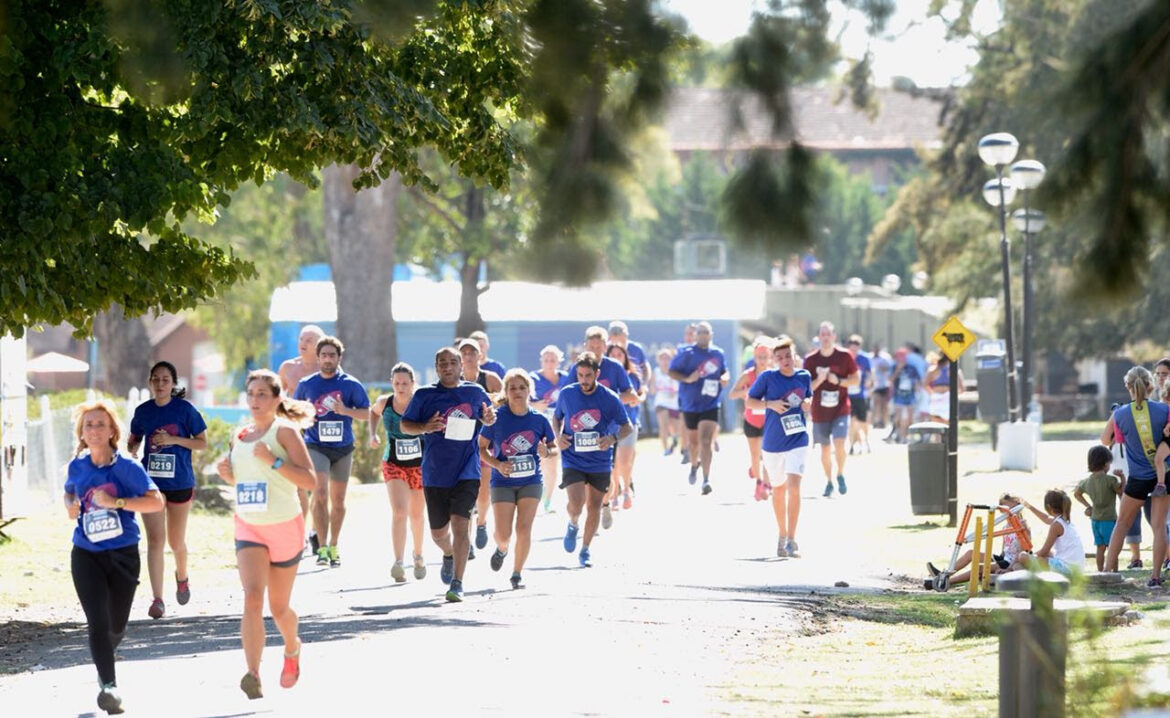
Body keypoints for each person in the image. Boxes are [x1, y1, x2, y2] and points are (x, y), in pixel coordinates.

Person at [217, 370, 317, 700]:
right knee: (252, 597)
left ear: (276, 399)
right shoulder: (239, 435)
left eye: (262, 394)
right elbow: (245, 481)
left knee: (279, 608)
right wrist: (228, 474)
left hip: (285, 525)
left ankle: (292, 647)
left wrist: (274, 461)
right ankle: (253, 673)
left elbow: (310, 480)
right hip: (249, 526)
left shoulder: (284, 431)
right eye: (251, 394)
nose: (255, 400)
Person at [65, 399, 164, 715]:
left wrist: (116, 502)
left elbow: (156, 502)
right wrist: (70, 505)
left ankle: (106, 658)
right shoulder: (77, 466)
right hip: (86, 553)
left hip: (123, 553)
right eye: (88, 425)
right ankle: (109, 687)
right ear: (82, 432)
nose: (94, 430)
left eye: (100, 424)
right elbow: (69, 491)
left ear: (111, 432)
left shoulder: (127, 468)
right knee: (97, 619)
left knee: (116, 624)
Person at [400, 346, 498, 602]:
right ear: (436, 367)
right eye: (442, 363)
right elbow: (405, 425)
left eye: (453, 362)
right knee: (438, 534)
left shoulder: (475, 392)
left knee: (461, 525)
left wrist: (489, 418)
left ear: (461, 366)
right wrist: (425, 426)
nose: (447, 367)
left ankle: (457, 583)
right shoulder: (424, 395)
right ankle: (449, 553)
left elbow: (488, 417)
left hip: (467, 470)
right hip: (435, 472)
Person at [127, 361, 207, 619]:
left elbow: (202, 443)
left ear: (173, 384)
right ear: (150, 382)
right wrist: (132, 449)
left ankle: (182, 577)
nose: (160, 384)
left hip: (180, 481)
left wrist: (173, 440)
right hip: (151, 482)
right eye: (156, 379)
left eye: (165, 379)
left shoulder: (185, 410)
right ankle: (158, 599)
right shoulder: (143, 411)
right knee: (155, 541)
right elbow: (134, 438)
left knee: (175, 542)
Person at [292, 336, 370, 568]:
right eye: (324, 355)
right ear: (318, 358)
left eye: (332, 355)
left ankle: (334, 545)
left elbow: (367, 413)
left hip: (343, 448)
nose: (327, 359)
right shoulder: (306, 384)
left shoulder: (350, 384)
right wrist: (306, 418)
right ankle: (322, 546)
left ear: (339, 357)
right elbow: (293, 413)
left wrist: (345, 410)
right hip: (316, 445)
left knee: (338, 501)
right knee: (320, 494)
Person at [479, 369, 558, 589]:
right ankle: (502, 549)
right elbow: (481, 448)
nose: (517, 392)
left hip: (531, 481)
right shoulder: (497, 418)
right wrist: (497, 464)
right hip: (502, 481)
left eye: (522, 387)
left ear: (529, 390)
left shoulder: (539, 419)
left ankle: (516, 573)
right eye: (512, 388)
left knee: (524, 529)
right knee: (503, 535)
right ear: (506, 391)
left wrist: (546, 452)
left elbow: (554, 448)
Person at [555, 352, 633, 567]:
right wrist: (558, 436)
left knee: (594, 506)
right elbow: (557, 418)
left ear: (597, 374)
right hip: (573, 458)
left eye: (588, 375)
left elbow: (627, 427)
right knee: (576, 503)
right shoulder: (567, 393)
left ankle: (585, 550)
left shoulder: (610, 397)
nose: (584, 380)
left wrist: (612, 438)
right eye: (580, 375)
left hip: (600, 460)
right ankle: (573, 523)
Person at [1102, 366, 1169, 587]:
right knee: (1159, 526)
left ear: (1128, 386)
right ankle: (1155, 577)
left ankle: (1107, 572)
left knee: (1122, 523)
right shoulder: (1164, 410)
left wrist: (1115, 415)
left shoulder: (1120, 414)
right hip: (1163, 476)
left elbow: (1106, 440)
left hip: (1138, 477)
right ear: (1151, 385)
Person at [745, 337, 812, 558]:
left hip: (798, 439)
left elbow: (808, 399)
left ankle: (792, 540)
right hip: (773, 444)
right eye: (780, 357)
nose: (785, 360)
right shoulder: (767, 378)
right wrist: (770, 404)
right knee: (779, 490)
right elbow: (750, 402)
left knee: (794, 487)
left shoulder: (804, 376)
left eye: (788, 356)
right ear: (774, 360)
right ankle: (782, 535)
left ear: (794, 356)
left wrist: (807, 404)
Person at [369, 363, 428, 583]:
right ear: (391, 383)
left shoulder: (421, 403)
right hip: (393, 463)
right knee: (399, 511)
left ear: (413, 384)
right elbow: (372, 412)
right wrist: (373, 434)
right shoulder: (385, 403)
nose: (400, 387)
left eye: (405, 383)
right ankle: (399, 562)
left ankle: (418, 555)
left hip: (419, 465)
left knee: (416, 514)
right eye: (396, 383)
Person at [278, 324, 325, 555]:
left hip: (319, 432)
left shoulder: (327, 367)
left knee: (317, 485)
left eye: (309, 340)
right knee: (298, 486)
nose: (303, 343)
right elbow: (277, 397)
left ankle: (316, 530)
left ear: (319, 345)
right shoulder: (288, 368)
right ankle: (300, 533)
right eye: (301, 339)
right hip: (294, 431)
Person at [668, 320, 728, 495]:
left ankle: (706, 479)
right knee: (693, 443)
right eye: (700, 332)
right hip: (690, 403)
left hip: (711, 402)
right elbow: (672, 372)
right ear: (695, 335)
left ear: (711, 335)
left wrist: (725, 377)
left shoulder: (718, 353)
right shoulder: (686, 352)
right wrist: (687, 379)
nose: (702, 335)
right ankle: (694, 465)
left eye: (706, 332)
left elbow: (724, 371)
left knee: (706, 440)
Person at [925, 493, 1029, 588]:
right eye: (1005, 509)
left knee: (979, 568)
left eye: (1012, 508)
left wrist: (1008, 569)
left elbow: (1022, 551)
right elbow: (1004, 551)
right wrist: (995, 561)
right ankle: (943, 575)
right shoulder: (1005, 526)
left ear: (1018, 508)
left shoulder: (1022, 525)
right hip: (1004, 559)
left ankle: (945, 582)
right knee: (970, 553)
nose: (1008, 512)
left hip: (1011, 562)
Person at [802, 322, 859, 498]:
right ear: (818, 337)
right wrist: (820, 379)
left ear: (834, 336)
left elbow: (856, 380)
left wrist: (839, 381)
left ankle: (840, 473)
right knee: (825, 449)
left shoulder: (845, 356)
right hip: (820, 411)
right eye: (823, 334)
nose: (826, 338)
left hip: (841, 408)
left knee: (840, 442)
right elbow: (805, 388)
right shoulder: (810, 360)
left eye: (828, 334)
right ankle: (829, 481)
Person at [459, 337, 503, 557]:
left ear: (480, 355)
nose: (468, 356)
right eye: (464, 353)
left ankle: (482, 523)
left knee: (484, 493)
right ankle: (466, 542)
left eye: (472, 352)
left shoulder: (490, 378)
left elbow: (505, 402)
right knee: (464, 494)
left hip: (485, 442)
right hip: (461, 443)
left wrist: (494, 401)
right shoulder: (453, 380)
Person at [604, 343, 646, 524]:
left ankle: (627, 488)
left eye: (619, 354)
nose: (616, 357)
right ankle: (614, 493)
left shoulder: (633, 375)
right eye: (612, 354)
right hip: (610, 424)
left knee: (625, 460)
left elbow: (639, 394)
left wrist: (637, 399)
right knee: (613, 462)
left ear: (625, 357)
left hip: (629, 421)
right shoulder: (603, 375)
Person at [730, 338, 775, 501]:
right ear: (755, 358)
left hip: (768, 420)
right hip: (751, 420)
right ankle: (759, 482)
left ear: (770, 358)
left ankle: (767, 484)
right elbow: (732, 394)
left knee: (767, 454)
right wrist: (746, 391)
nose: (762, 360)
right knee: (755, 454)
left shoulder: (773, 375)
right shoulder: (747, 375)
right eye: (759, 357)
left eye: (765, 357)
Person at [531, 345, 569, 513]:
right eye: (546, 360)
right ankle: (536, 496)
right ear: (541, 361)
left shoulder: (566, 378)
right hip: (538, 426)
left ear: (559, 361)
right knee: (541, 461)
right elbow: (520, 400)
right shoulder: (533, 378)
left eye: (553, 360)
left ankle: (547, 500)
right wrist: (535, 405)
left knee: (552, 462)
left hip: (559, 425)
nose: (549, 363)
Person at [1075, 445, 1123, 572]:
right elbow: (1121, 492)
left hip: (1095, 519)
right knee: (1112, 547)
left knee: (1100, 547)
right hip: (1109, 519)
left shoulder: (1086, 481)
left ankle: (1100, 571)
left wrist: (1088, 506)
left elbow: (1077, 494)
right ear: (1105, 463)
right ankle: (1114, 572)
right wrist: (1122, 478)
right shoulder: (1110, 480)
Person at [1022, 490, 1085, 576]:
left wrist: (1030, 556)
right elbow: (1046, 518)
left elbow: (1044, 551)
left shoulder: (1056, 525)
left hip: (1068, 569)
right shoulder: (1064, 520)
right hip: (1077, 568)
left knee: (1023, 556)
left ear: (1048, 507)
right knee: (1050, 553)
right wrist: (1029, 507)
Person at [650, 348, 682, 457]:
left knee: (675, 428)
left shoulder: (675, 371)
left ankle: (675, 440)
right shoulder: (656, 372)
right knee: (663, 425)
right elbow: (652, 389)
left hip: (674, 403)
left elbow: (681, 386)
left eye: (667, 358)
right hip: (661, 402)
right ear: (658, 360)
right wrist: (653, 389)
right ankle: (665, 449)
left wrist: (675, 391)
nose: (665, 360)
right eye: (662, 358)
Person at [845, 335, 873, 455]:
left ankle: (865, 442)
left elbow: (870, 373)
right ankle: (852, 445)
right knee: (851, 422)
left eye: (856, 347)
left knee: (862, 422)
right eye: (852, 346)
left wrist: (869, 383)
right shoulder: (845, 357)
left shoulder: (864, 359)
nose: (854, 349)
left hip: (861, 395)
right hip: (848, 395)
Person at [888, 348, 920, 444]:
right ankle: (899, 434)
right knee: (898, 418)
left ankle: (906, 436)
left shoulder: (912, 367)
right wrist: (898, 370)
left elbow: (917, 380)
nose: (901, 360)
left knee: (910, 418)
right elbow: (890, 380)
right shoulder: (894, 367)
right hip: (898, 395)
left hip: (910, 395)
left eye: (903, 357)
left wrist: (917, 389)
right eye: (899, 357)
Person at [925, 354, 965, 424]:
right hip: (947, 398)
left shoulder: (933, 370)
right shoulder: (954, 370)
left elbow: (925, 384)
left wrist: (932, 393)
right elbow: (961, 389)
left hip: (937, 398)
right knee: (948, 423)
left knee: (936, 424)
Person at [870, 343, 892, 430]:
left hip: (884, 384)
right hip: (875, 386)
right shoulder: (870, 358)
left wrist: (883, 368)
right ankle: (876, 421)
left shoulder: (884, 358)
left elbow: (889, 369)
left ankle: (884, 421)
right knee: (876, 403)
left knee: (884, 405)